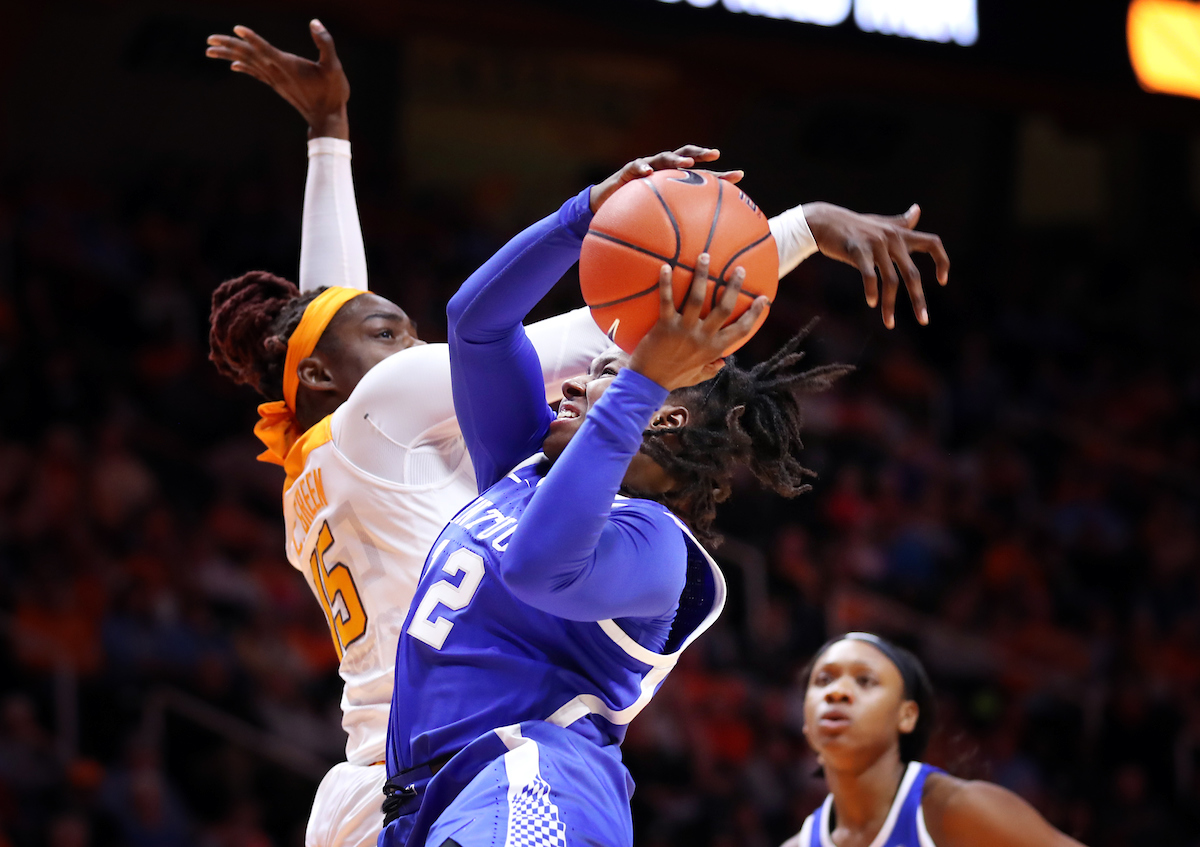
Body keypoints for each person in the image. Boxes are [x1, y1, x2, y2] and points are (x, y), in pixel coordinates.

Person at [203, 21, 951, 847]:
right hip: (424, 775)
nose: (418, 352)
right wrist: (796, 231)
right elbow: (616, 334)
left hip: (446, 769)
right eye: (393, 336)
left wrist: (328, 139)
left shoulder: (324, 458)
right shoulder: (398, 409)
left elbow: (336, 318)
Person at [377, 163, 862, 847]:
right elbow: (476, 322)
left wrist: (640, 383)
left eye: (605, 375)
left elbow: (537, 567)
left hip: (530, 779)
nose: (571, 384)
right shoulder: (524, 466)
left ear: (660, 418)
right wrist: (583, 214)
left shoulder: (655, 545)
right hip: (432, 799)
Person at [785, 633, 1086, 847]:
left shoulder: (958, 811)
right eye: (823, 680)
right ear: (807, 725)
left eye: (865, 680)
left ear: (906, 716)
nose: (837, 692)